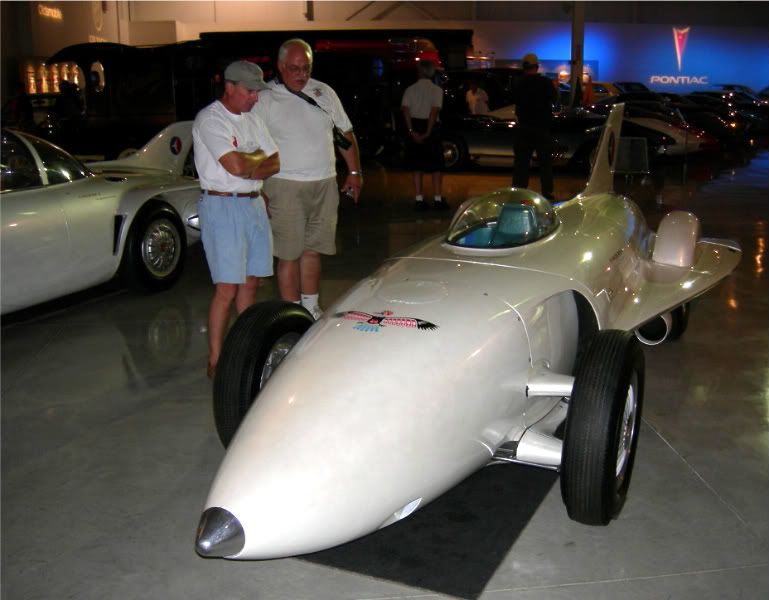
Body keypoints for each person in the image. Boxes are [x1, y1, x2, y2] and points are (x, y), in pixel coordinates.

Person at [252, 38, 362, 320]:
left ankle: (311, 308)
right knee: (289, 254)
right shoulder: (265, 98)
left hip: (324, 183)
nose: (302, 74)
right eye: (294, 68)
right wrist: (256, 188)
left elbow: (345, 134)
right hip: (284, 185)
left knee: (313, 250)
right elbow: (250, 146)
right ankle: (291, 313)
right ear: (280, 66)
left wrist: (354, 173)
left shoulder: (324, 92)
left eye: (306, 68)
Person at [192, 61, 280, 378]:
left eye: (257, 91)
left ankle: (246, 349)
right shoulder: (210, 119)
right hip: (223, 205)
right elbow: (234, 166)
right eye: (249, 91)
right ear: (229, 87)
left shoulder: (253, 119)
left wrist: (248, 165)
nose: (255, 97)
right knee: (227, 287)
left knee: (251, 282)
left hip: (253, 203)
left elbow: (275, 162)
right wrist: (253, 163)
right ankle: (216, 359)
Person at [401, 60, 448, 211]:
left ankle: (419, 199)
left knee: (417, 165)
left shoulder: (410, 90)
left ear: (419, 71)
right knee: (436, 166)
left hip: (415, 124)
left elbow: (406, 111)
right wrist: (428, 131)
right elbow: (434, 111)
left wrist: (411, 131)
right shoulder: (437, 90)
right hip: (431, 127)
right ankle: (437, 199)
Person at [512, 52, 558, 201]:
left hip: (524, 128)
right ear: (537, 67)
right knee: (545, 163)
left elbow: (514, 101)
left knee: (521, 163)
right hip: (542, 128)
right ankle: (547, 193)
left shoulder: (518, 83)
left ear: (524, 67)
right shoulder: (546, 83)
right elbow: (555, 99)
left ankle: (519, 192)